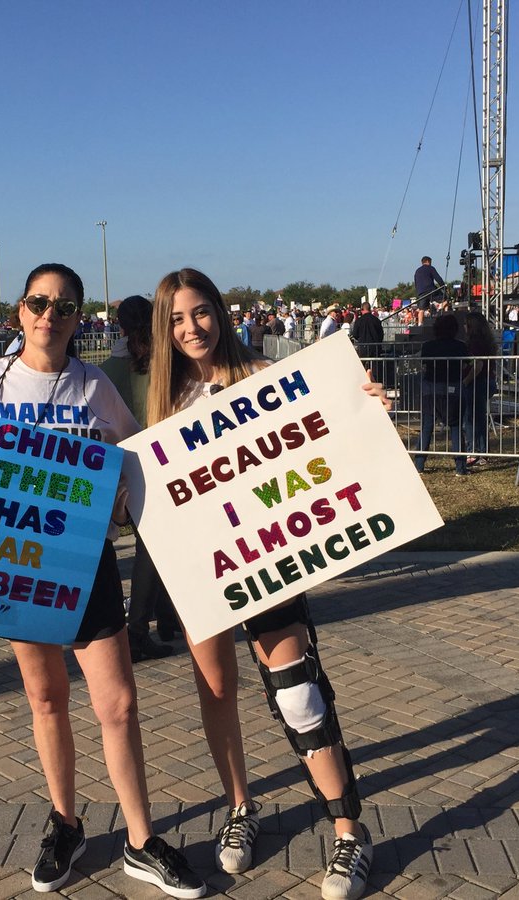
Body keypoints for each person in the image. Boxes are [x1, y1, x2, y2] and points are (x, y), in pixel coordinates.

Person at [0, 264, 206, 898]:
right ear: (20, 311)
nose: (49, 315)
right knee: (46, 699)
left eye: (64, 307)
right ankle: (66, 823)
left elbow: (139, 465)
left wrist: (116, 499)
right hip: (13, 568)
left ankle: (140, 839)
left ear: (79, 318)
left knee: (119, 704)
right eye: (38, 303)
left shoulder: (95, 388)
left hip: (88, 568)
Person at [147, 268, 386, 900]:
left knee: (298, 693)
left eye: (200, 312)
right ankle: (241, 807)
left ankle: (348, 830)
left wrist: (368, 411)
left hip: (266, 557)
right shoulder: (161, 399)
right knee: (217, 690)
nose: (191, 328)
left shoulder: (260, 376)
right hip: (198, 565)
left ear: (220, 313)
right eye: (176, 318)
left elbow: (330, 430)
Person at [98, 295, 179, 663]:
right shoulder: (166, 361)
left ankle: (165, 618)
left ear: (121, 326)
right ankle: (138, 629)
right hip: (167, 457)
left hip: (126, 463)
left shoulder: (106, 370)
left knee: (152, 541)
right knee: (155, 547)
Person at [413, 314, 468, 476]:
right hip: (453, 391)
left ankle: (419, 465)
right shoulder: (460, 346)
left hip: (431, 391)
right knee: (456, 427)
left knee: (426, 427)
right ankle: (460, 468)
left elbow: (424, 363)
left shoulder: (428, 346)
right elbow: (468, 363)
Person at [461, 313, 498, 467]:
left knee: (469, 419)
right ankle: (482, 452)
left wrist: (465, 381)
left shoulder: (473, 344)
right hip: (486, 381)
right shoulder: (488, 342)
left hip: (476, 382)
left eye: (465, 324)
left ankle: (473, 451)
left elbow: (478, 366)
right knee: (480, 418)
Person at [413, 256, 446, 325]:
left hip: (421, 292)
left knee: (421, 309)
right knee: (445, 299)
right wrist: (443, 287)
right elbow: (438, 278)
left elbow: (416, 283)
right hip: (431, 290)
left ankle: (419, 324)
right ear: (428, 261)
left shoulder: (417, 271)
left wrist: (418, 293)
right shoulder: (430, 268)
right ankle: (441, 310)